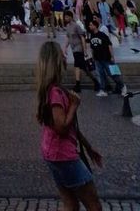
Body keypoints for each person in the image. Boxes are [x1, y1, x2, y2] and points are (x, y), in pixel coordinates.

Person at [35, 41, 102, 210]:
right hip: (63, 155)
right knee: (93, 203)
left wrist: (88, 147)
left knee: (70, 202)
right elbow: (62, 127)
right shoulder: (55, 92)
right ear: (56, 61)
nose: (66, 56)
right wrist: (74, 105)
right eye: (62, 54)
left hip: (52, 152)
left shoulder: (47, 90)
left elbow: (70, 127)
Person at [62, 11, 96, 93]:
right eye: (65, 17)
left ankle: (79, 84)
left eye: (67, 17)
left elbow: (82, 38)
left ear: (70, 17)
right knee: (82, 67)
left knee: (77, 65)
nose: (66, 19)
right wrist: (65, 47)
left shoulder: (76, 26)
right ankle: (94, 81)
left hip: (78, 48)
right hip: (74, 49)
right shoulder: (68, 26)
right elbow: (67, 37)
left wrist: (84, 50)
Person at [86, 19, 115, 96]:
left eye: (91, 25)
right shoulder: (91, 35)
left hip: (105, 57)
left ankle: (121, 86)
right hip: (97, 58)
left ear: (95, 26)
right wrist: (92, 56)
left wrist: (112, 56)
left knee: (111, 73)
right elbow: (92, 47)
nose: (89, 26)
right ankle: (103, 89)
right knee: (100, 74)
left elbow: (109, 44)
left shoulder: (102, 35)